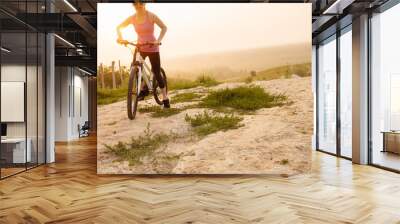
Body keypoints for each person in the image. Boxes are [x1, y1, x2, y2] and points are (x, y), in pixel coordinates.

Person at [116, 1, 170, 108]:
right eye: (135, 4)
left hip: (152, 46)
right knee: (135, 67)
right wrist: (121, 38)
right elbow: (119, 27)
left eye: (140, 3)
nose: (138, 6)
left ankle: (165, 98)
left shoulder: (151, 16)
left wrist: (158, 40)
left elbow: (164, 27)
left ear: (144, 4)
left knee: (156, 72)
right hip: (140, 47)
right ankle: (143, 89)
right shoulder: (132, 18)